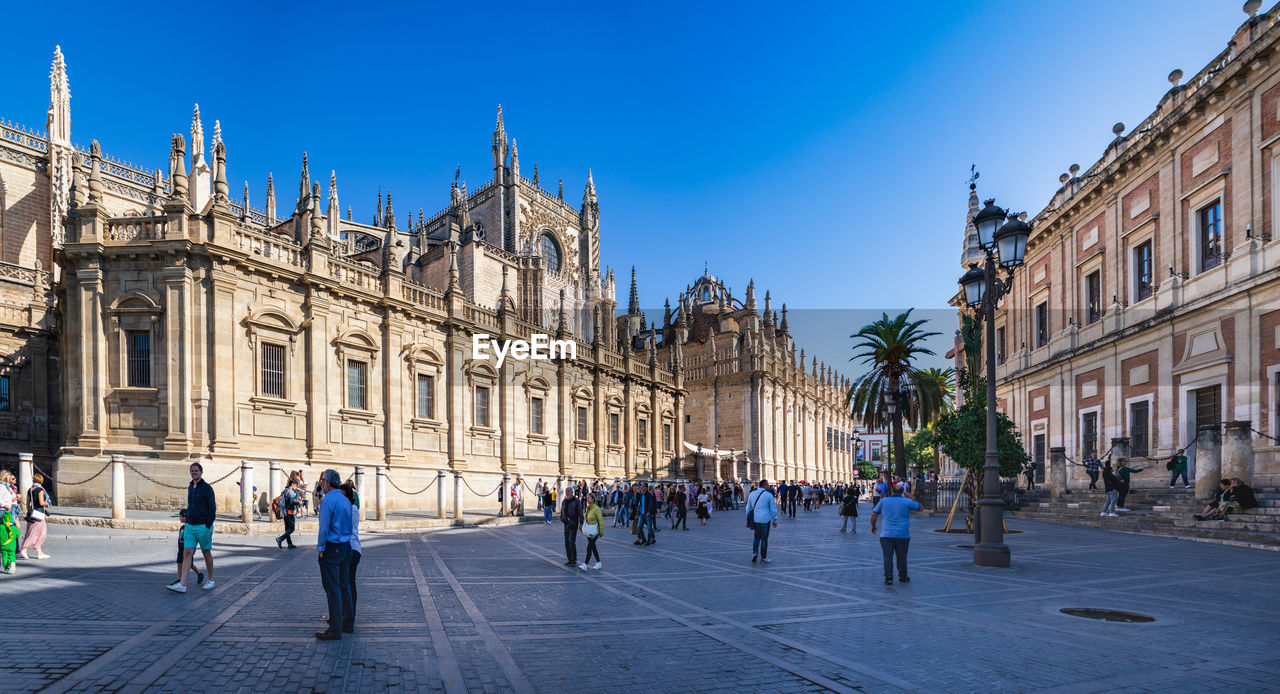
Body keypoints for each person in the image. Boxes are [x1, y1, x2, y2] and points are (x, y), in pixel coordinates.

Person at [315, 469, 354, 640]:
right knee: (344, 586)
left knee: (332, 588)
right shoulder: (345, 501)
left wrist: (321, 548)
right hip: (346, 547)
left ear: (328, 482)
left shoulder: (328, 501)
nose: (321, 483)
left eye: (323, 480)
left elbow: (323, 528)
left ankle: (334, 628)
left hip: (332, 548)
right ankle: (347, 623)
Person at [167, 463, 214, 592]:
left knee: (206, 553)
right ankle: (182, 584)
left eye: (196, 471)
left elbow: (212, 508)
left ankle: (210, 579)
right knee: (186, 553)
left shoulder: (207, 488)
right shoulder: (190, 487)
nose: (194, 473)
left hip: (203, 526)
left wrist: (208, 526)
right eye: (192, 471)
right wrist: (187, 522)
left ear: (201, 472)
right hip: (190, 526)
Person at [871, 483, 920, 585]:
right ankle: (902, 576)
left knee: (887, 557)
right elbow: (921, 508)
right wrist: (911, 497)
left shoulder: (883, 501)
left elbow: (874, 514)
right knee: (902, 556)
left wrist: (873, 526)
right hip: (902, 535)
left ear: (891, 491)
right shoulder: (907, 501)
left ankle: (889, 577)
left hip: (886, 535)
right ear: (902, 492)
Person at [339, 481, 361, 631]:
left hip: (351, 549)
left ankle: (349, 617)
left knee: (348, 582)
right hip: (348, 548)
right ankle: (346, 615)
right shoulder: (349, 508)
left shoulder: (351, 509)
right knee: (346, 582)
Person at [19, 472, 52, 561]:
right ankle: (24, 549)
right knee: (40, 533)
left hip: (32, 513)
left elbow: (27, 503)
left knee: (31, 532)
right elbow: (41, 502)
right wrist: (47, 503)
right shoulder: (40, 490)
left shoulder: (30, 489)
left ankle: (39, 552)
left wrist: (29, 512)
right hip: (39, 513)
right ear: (41, 481)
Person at [746, 479, 779, 564]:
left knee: (756, 538)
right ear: (764, 485)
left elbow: (748, 508)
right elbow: (773, 509)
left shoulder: (752, 494)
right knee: (764, 539)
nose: (768, 486)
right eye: (767, 485)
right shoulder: (768, 495)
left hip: (756, 519)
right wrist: (775, 520)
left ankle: (754, 553)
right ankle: (763, 558)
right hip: (765, 520)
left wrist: (748, 518)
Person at [174, 509, 205, 586]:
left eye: (181, 516)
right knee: (179, 563)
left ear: (185, 517)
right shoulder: (182, 527)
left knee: (189, 564)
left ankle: (199, 574)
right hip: (180, 549)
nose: (180, 518)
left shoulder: (189, 528)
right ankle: (179, 579)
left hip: (186, 549)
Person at [579, 492, 603, 571]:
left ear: (593, 499)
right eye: (587, 498)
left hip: (595, 531)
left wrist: (601, 531)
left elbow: (600, 520)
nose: (587, 499)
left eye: (589, 498)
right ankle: (599, 563)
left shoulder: (597, 509)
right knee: (593, 547)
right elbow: (586, 518)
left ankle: (585, 565)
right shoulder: (588, 507)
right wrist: (582, 526)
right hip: (589, 530)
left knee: (589, 547)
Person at [560, 486, 582, 566]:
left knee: (571, 541)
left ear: (572, 492)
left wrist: (581, 523)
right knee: (566, 542)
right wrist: (562, 518)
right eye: (566, 491)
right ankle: (569, 559)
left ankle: (574, 559)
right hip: (566, 523)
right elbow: (562, 510)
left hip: (573, 523)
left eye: (569, 491)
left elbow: (580, 512)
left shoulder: (576, 501)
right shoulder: (564, 501)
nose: (567, 493)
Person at [276, 478, 300, 549]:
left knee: (287, 529)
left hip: (284, 512)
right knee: (292, 528)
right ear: (292, 484)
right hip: (289, 512)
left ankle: (289, 544)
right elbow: (291, 502)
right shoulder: (291, 492)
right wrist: (299, 502)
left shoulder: (284, 491)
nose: (296, 487)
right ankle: (280, 539)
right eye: (295, 485)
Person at [0, 507, 18, 574]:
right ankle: (12, 563)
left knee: (4, 557)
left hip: (3, 545)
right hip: (12, 545)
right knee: (12, 555)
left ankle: (6, 568)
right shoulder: (14, 527)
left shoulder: (1, 527)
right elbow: (18, 535)